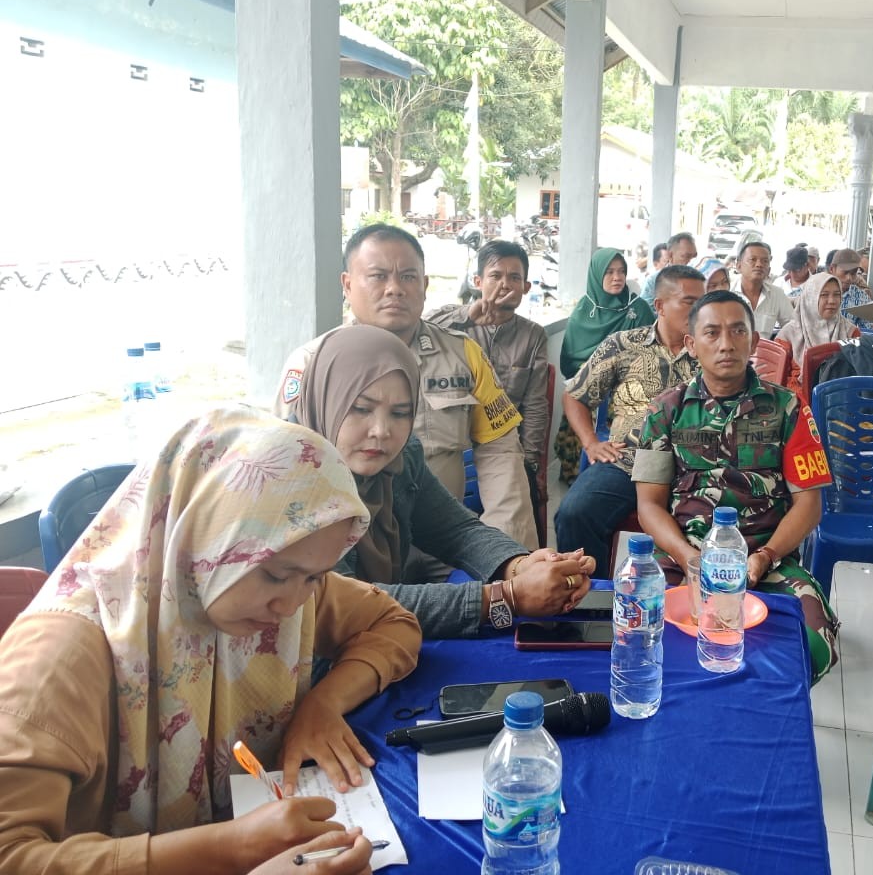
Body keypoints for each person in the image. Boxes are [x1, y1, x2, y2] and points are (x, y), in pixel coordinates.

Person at [0, 407, 422, 873]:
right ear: (201, 536)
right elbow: (12, 856)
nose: (291, 606)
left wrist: (322, 705)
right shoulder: (61, 654)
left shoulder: (282, 587)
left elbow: (392, 624)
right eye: (277, 575)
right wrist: (230, 849)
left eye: (314, 578)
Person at [293, 325, 594, 635]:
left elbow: (456, 530)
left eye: (399, 413)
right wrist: (505, 597)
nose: (381, 430)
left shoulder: (400, 458)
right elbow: (344, 604)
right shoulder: (291, 481)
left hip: (381, 643)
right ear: (325, 399)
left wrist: (520, 564)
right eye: (361, 408)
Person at [276, 224, 537, 552]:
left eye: (409, 277)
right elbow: (291, 474)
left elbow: (501, 454)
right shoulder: (312, 364)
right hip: (348, 551)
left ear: (425, 286)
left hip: (444, 543)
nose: (394, 289)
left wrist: (504, 552)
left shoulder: (462, 354)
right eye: (378, 276)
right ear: (347, 284)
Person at [633, 290, 841, 683]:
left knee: (815, 644)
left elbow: (808, 505)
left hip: (766, 560)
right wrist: (687, 558)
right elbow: (649, 506)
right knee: (636, 633)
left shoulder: (789, 409)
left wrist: (764, 557)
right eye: (711, 333)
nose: (726, 344)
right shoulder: (664, 410)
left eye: (737, 331)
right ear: (692, 345)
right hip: (681, 558)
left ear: (754, 340)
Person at [555, 265, 706, 570]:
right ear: (660, 306)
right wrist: (591, 442)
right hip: (628, 462)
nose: (700, 311)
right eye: (690, 302)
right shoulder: (624, 344)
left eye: (703, 302)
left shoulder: (710, 349)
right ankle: (590, 603)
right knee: (574, 513)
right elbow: (575, 395)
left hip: (695, 467)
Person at [428, 240, 550, 530]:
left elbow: (535, 405)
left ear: (526, 287)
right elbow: (420, 327)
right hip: (453, 442)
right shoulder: (454, 324)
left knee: (522, 514)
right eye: (496, 276)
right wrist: (467, 314)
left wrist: (531, 463)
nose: (505, 284)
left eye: (514, 277)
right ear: (478, 281)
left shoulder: (533, 336)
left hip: (505, 445)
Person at [554, 248, 655, 483]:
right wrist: (595, 376)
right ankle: (576, 474)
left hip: (628, 388)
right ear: (597, 275)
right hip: (591, 386)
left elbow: (651, 353)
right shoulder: (584, 310)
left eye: (621, 271)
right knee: (578, 399)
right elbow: (571, 359)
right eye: (609, 272)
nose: (617, 277)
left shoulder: (638, 308)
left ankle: (615, 471)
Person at [775, 272, 860, 393]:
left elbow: (858, 374)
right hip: (796, 402)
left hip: (841, 397)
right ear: (810, 298)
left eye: (837, 295)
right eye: (824, 295)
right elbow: (778, 381)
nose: (832, 301)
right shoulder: (788, 334)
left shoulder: (851, 332)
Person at [733, 241, 794, 338]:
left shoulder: (777, 294)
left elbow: (793, 326)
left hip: (763, 352)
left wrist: (781, 341)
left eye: (765, 261)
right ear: (738, 266)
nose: (759, 265)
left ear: (769, 270)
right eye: (752, 259)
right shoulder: (728, 292)